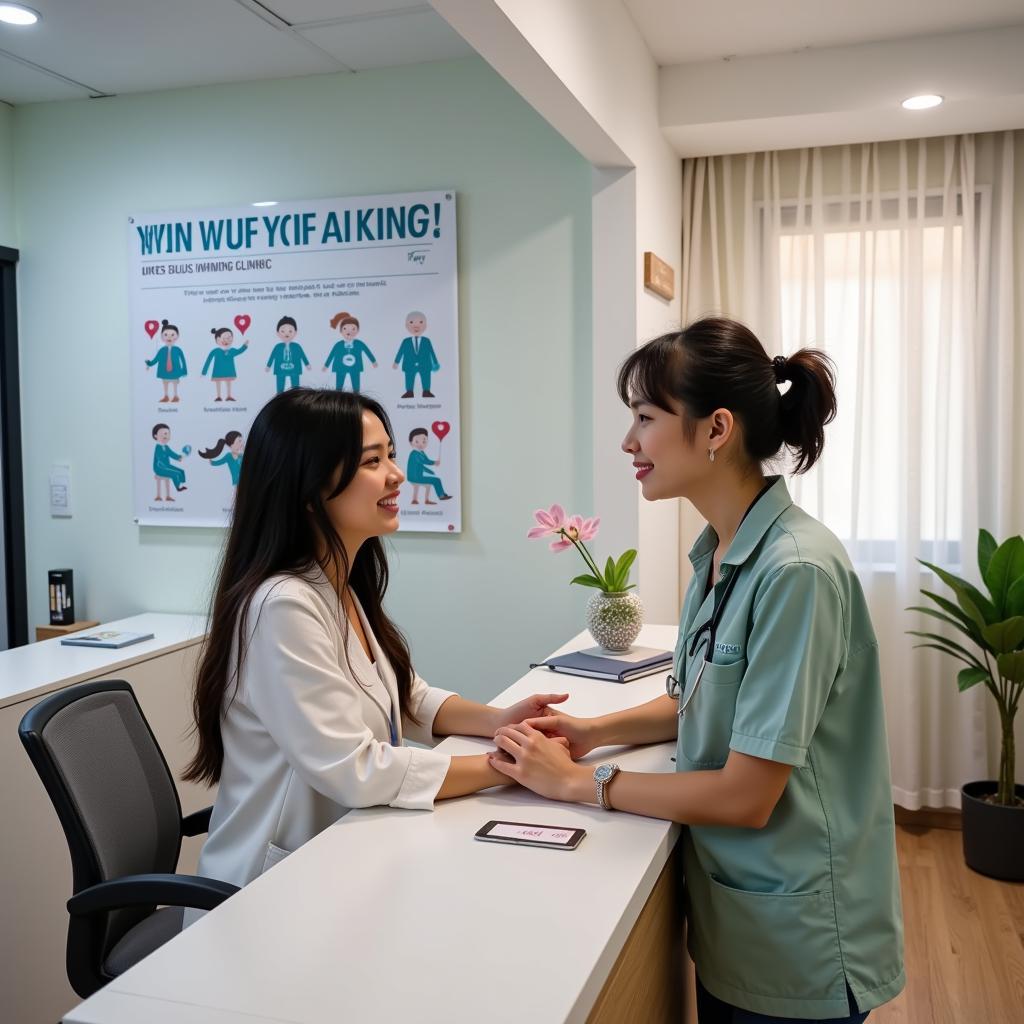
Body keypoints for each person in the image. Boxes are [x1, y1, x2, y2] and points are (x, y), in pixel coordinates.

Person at [489, 318, 905, 1022]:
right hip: (738, 923)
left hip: (797, 940)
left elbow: (748, 796)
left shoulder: (795, 571)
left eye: (646, 418)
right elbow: (700, 697)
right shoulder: (720, 552)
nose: (629, 442)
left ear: (716, 429)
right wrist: (593, 731)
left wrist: (582, 783)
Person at [184, 388, 566, 889]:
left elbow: (403, 696)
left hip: (344, 850)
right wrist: (509, 766)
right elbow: (354, 767)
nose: (397, 475)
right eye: (372, 461)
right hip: (269, 888)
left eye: (391, 454)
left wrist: (498, 721)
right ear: (309, 488)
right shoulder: (282, 605)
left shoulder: (333, 584)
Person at [323, 312, 377, 392]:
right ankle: (338, 397)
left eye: (353, 329)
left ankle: (357, 397)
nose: (349, 331)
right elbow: (332, 355)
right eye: (345, 328)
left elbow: (367, 351)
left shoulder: (359, 344)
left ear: (358, 330)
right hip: (340, 367)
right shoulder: (338, 345)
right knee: (339, 385)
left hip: (355, 367)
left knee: (356, 385)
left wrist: (373, 361)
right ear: (341, 330)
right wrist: (326, 365)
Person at [392, 310, 439, 398]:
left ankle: (426, 391)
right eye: (411, 322)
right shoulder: (406, 341)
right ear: (406, 325)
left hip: (425, 364)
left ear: (425, 325)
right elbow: (400, 352)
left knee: (426, 376)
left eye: (420, 322)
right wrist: (396, 362)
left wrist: (435, 362)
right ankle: (409, 392)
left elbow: (431, 352)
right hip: (409, 364)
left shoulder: (426, 341)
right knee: (409, 377)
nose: (416, 326)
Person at [144, 320, 187, 403]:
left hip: (175, 371)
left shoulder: (178, 350)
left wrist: (184, 370)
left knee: (175, 383)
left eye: (172, 335)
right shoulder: (161, 350)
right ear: (162, 336)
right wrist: (149, 363)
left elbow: (183, 360)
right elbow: (156, 359)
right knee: (165, 383)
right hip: (164, 371)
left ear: (177, 336)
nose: (169, 337)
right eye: (166, 335)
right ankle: (166, 396)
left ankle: (175, 396)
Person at [201, 327, 249, 402]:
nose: (227, 340)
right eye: (224, 338)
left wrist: (245, 346)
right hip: (218, 371)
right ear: (218, 340)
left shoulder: (232, 350)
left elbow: (239, 351)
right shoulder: (215, 351)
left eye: (230, 338)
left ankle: (229, 396)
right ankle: (218, 396)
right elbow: (208, 360)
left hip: (229, 371)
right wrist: (204, 372)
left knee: (228, 382)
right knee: (218, 383)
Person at [406, 426, 451, 504]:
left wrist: (430, 471)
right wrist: (434, 462)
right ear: (411, 442)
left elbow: (421, 466)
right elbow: (424, 461)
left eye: (424, 441)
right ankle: (441, 496)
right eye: (417, 441)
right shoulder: (414, 454)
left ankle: (427, 500)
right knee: (436, 480)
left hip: (419, 476)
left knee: (431, 482)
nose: (421, 444)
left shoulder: (422, 452)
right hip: (414, 477)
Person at [265, 316, 309, 393]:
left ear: (295, 332)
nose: (286, 333)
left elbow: (302, 355)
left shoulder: (297, 346)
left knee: (295, 385)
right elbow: (272, 356)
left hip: (294, 368)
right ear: (278, 333)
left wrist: (307, 364)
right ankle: (279, 395)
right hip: (280, 369)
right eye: (283, 331)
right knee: (280, 384)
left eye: (290, 331)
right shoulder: (278, 347)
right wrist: (268, 365)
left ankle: (296, 394)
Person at [151, 422, 187, 501]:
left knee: (181, 471)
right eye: (163, 434)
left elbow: (172, 454)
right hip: (159, 468)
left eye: (167, 434)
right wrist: (166, 468)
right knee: (175, 473)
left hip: (167, 465)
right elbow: (159, 458)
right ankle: (178, 488)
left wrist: (178, 457)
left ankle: (181, 483)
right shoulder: (158, 447)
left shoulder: (166, 447)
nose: (166, 436)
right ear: (155, 436)